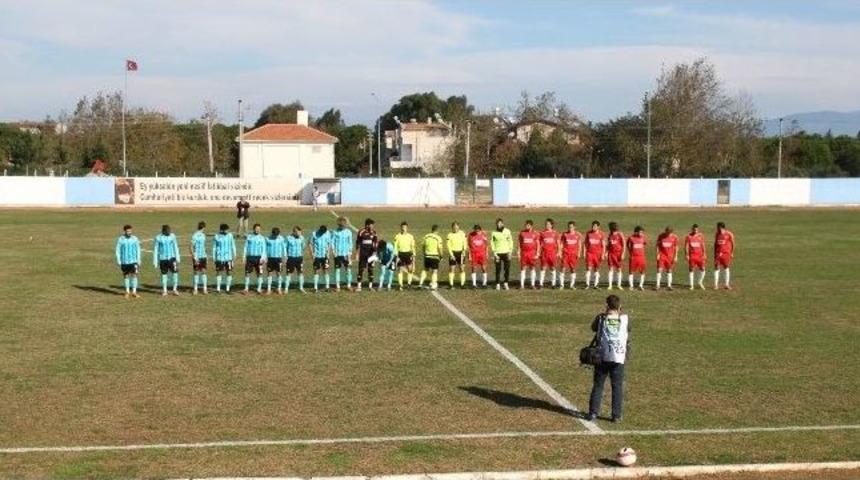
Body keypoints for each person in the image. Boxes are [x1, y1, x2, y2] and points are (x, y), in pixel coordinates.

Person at [587, 294, 630, 424]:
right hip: (618, 356)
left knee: (598, 385)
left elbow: (593, 328)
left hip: (602, 357)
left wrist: (605, 315)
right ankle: (616, 415)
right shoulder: (625, 319)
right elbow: (628, 330)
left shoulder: (601, 318)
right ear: (619, 306)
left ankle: (593, 413)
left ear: (606, 306)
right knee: (617, 386)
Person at [153, 224, 181, 296]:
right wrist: (155, 261)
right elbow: (155, 249)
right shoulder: (158, 238)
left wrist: (177, 257)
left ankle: (175, 289)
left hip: (172, 258)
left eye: (170, 230)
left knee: (175, 273)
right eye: (168, 231)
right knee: (164, 275)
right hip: (163, 259)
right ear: (163, 231)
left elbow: (175, 246)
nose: (169, 232)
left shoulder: (172, 236)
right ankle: (164, 290)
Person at [115, 224, 141, 298]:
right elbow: (118, 250)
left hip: (133, 261)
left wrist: (138, 259)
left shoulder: (135, 238)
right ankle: (127, 292)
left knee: (134, 275)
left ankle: (134, 292)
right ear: (125, 231)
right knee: (126, 276)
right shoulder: (121, 239)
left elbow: (138, 249)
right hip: (124, 261)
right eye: (127, 231)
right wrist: (119, 260)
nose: (129, 232)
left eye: (130, 231)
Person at [242, 223, 267, 294]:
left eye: (259, 229)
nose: (258, 230)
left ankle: (259, 288)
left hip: (258, 258)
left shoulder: (262, 238)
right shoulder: (249, 237)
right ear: (253, 229)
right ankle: (246, 288)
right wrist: (244, 256)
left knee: (259, 273)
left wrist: (263, 258)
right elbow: (245, 247)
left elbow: (264, 249)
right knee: (247, 273)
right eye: (256, 229)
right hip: (250, 257)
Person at [355, 218, 378, 291]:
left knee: (371, 269)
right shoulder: (361, 232)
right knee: (361, 269)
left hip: (371, 255)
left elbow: (375, 243)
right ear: (367, 225)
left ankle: (370, 287)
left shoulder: (374, 232)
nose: (372, 226)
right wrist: (357, 253)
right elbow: (358, 243)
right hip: (363, 254)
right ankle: (359, 287)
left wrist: (374, 254)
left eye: (373, 225)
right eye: (371, 225)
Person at [212, 223, 237, 293]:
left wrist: (234, 255)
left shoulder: (230, 236)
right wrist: (214, 257)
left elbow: (233, 245)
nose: (228, 231)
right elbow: (214, 248)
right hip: (220, 258)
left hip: (228, 258)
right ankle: (218, 289)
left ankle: (228, 289)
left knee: (229, 272)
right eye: (226, 230)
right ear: (222, 230)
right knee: (219, 272)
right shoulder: (216, 236)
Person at [331, 216, 354, 291]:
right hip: (337, 254)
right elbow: (332, 243)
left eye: (343, 225)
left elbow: (350, 243)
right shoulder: (335, 232)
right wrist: (334, 252)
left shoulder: (348, 232)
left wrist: (349, 253)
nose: (342, 226)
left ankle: (349, 285)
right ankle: (337, 286)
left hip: (346, 254)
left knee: (348, 270)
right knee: (337, 270)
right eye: (341, 225)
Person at [419, 224, 444, 290]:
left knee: (425, 269)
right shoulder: (438, 238)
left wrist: (424, 253)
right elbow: (440, 248)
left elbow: (423, 246)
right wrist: (441, 256)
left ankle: (420, 283)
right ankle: (433, 284)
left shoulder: (426, 236)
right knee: (434, 271)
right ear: (437, 230)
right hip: (434, 256)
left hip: (427, 256)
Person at [491, 218, 513, 290]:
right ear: (496, 224)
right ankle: (497, 284)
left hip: (506, 253)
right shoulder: (494, 233)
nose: (499, 224)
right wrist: (494, 253)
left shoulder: (507, 231)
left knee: (507, 269)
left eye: (500, 223)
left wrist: (510, 252)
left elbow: (510, 242)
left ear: (502, 224)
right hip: (498, 253)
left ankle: (506, 283)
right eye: (497, 223)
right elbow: (492, 243)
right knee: (498, 269)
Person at [393, 221, 416, 290]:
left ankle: (409, 284)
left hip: (408, 254)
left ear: (407, 228)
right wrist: (396, 256)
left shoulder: (410, 236)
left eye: (405, 227)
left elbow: (413, 246)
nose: (403, 228)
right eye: (402, 227)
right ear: (400, 228)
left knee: (410, 269)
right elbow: (395, 247)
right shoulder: (397, 236)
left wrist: (414, 255)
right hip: (400, 254)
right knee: (400, 270)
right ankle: (400, 285)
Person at [538, 219, 561, 288]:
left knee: (553, 268)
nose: (547, 225)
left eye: (548, 224)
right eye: (546, 224)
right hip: (544, 253)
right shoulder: (542, 233)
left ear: (552, 225)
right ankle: (541, 284)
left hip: (552, 254)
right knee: (543, 268)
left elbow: (558, 243)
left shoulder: (555, 233)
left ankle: (553, 284)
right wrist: (539, 252)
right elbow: (540, 244)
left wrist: (559, 252)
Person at [560, 221, 583, 289]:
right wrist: (560, 252)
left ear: (574, 227)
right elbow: (561, 244)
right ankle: (561, 285)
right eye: (569, 227)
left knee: (573, 269)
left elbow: (579, 245)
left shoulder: (578, 235)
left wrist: (579, 253)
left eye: (571, 227)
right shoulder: (565, 234)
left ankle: (572, 285)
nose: (570, 228)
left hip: (573, 254)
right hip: (565, 254)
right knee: (563, 268)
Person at [518, 220, 540, 289]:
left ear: (531, 226)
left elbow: (538, 244)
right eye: (526, 225)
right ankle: (522, 285)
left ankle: (532, 285)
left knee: (532, 268)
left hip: (532, 253)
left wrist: (537, 253)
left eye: (528, 225)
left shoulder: (535, 233)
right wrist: (518, 252)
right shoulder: (522, 233)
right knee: (523, 268)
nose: (526, 226)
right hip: (524, 253)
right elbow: (519, 243)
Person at [713, 221, 736, 290]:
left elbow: (733, 244)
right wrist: (714, 253)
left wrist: (732, 252)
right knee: (716, 268)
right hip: (718, 254)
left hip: (726, 253)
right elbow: (715, 244)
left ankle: (726, 284)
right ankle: (715, 285)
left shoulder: (729, 234)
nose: (716, 228)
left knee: (726, 267)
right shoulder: (717, 234)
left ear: (720, 227)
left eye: (717, 227)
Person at [311, 225, 333, 292]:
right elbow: (310, 243)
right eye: (321, 232)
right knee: (316, 271)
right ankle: (315, 288)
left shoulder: (328, 233)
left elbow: (329, 244)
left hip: (325, 256)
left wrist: (328, 253)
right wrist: (312, 254)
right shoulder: (314, 234)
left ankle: (327, 287)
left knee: (326, 270)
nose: (322, 233)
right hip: (317, 256)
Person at [284, 226, 306, 293]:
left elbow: (303, 247)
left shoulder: (302, 238)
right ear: (294, 232)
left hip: (299, 258)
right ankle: (286, 288)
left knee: (300, 272)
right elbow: (285, 248)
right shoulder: (288, 238)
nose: (299, 234)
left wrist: (302, 256)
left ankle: (301, 288)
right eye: (298, 232)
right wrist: (285, 257)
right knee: (289, 273)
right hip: (291, 258)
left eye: (300, 232)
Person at [685, 224, 707, 290]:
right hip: (692, 256)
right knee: (691, 270)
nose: (695, 231)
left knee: (703, 269)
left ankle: (700, 282)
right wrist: (687, 254)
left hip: (700, 256)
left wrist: (704, 253)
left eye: (696, 229)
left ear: (698, 229)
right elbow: (686, 246)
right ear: (692, 229)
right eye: (694, 229)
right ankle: (691, 285)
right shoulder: (688, 236)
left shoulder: (701, 236)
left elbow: (703, 245)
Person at [265, 227, 286, 294]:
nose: (276, 236)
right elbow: (264, 249)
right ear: (272, 233)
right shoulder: (268, 239)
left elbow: (284, 248)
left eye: (277, 235)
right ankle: (268, 289)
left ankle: (279, 288)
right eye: (275, 235)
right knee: (269, 273)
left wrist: (285, 257)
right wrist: (264, 257)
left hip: (278, 258)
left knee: (279, 273)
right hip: (270, 258)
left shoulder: (281, 238)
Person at [584, 221, 605, 289]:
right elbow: (585, 243)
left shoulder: (601, 234)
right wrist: (584, 252)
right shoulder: (588, 233)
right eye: (592, 226)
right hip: (590, 253)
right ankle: (587, 284)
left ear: (598, 227)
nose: (593, 227)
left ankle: (596, 285)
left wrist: (603, 254)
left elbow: (603, 245)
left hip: (598, 254)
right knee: (588, 268)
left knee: (597, 269)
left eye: (595, 226)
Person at [446, 222, 467, 289]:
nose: (455, 228)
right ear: (452, 227)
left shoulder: (462, 233)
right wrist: (451, 254)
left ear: (458, 227)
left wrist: (464, 250)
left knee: (462, 268)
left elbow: (465, 242)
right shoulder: (449, 235)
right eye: (454, 227)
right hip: (453, 253)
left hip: (461, 253)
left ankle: (462, 284)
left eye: (456, 227)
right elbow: (448, 245)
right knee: (452, 269)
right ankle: (451, 284)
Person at [468, 224, 489, 288]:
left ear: (480, 229)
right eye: (475, 230)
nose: (476, 231)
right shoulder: (470, 235)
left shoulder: (483, 234)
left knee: (483, 268)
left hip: (482, 254)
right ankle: (474, 284)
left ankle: (484, 283)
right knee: (474, 268)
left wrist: (487, 253)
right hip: (474, 254)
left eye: (477, 230)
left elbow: (486, 244)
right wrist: (469, 254)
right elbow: (469, 245)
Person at [626, 226, 648, 290]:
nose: (641, 233)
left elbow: (645, 243)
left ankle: (641, 286)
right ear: (636, 232)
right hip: (633, 257)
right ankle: (631, 286)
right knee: (631, 272)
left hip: (641, 257)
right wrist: (630, 251)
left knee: (642, 271)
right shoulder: (631, 238)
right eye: (640, 232)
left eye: (642, 232)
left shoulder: (643, 238)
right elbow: (627, 244)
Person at [606, 222, 625, 290]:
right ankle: (610, 285)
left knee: (619, 269)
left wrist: (623, 253)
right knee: (610, 269)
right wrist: (606, 252)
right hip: (611, 254)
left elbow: (624, 244)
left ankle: (619, 285)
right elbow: (608, 245)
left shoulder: (620, 234)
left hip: (618, 254)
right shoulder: (610, 235)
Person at [190, 221, 209, 295]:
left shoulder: (202, 235)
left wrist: (206, 255)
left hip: (202, 256)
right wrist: (194, 256)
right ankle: (197, 289)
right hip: (198, 256)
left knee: (198, 272)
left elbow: (204, 246)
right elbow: (191, 246)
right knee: (199, 272)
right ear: (204, 227)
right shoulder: (195, 235)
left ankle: (202, 289)